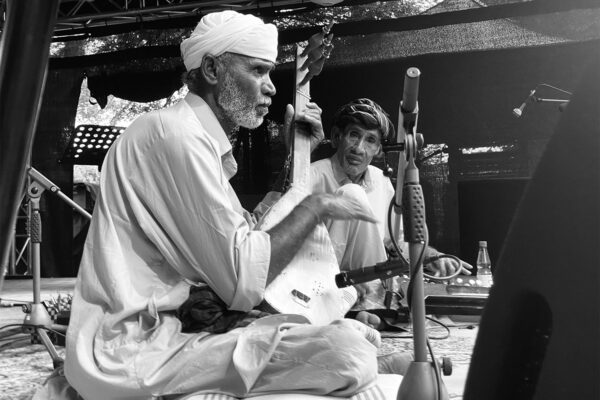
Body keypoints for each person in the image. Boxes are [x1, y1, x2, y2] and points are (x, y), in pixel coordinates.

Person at [65, 10, 406, 400]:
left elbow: (251, 242)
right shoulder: (178, 137)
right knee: (348, 354)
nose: (271, 88)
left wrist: (296, 158)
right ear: (212, 69)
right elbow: (244, 280)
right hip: (136, 347)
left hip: (180, 327)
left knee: (335, 334)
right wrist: (317, 207)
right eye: (258, 71)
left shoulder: (192, 137)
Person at [256, 98, 472, 324]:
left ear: (378, 150)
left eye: (370, 140)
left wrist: (431, 257)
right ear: (337, 136)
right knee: (352, 194)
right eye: (353, 135)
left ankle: (373, 307)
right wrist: (294, 160)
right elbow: (266, 229)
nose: (359, 148)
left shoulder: (382, 181)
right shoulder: (309, 175)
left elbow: (396, 242)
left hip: (371, 298)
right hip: (314, 293)